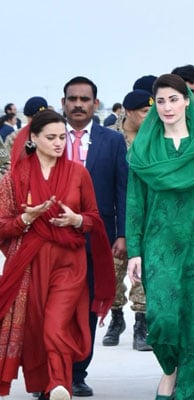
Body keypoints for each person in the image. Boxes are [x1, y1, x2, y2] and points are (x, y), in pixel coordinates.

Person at [126, 73, 194, 400]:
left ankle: (184, 391)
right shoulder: (145, 148)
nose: (167, 107)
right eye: (160, 101)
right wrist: (135, 250)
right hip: (159, 246)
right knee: (161, 319)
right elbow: (135, 203)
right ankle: (169, 371)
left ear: (187, 101)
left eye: (173, 99)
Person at [0, 109, 114, 400]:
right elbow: (3, 226)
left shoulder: (78, 173)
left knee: (55, 323)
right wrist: (28, 218)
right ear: (33, 137)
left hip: (69, 261)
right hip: (31, 262)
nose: (59, 143)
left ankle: (58, 383)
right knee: (37, 328)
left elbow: (94, 218)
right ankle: (49, 386)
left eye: (62, 137)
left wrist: (77, 221)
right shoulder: (14, 178)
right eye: (50, 137)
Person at [62, 76, 128, 397]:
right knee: (52, 308)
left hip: (96, 238)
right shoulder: (49, 137)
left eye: (84, 99)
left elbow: (122, 190)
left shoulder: (112, 141)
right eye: (72, 99)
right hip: (53, 240)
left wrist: (123, 235)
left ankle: (77, 372)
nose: (78, 104)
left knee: (87, 308)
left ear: (95, 104)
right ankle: (53, 373)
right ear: (63, 103)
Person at [102, 89, 153, 351]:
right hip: (115, 215)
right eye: (145, 112)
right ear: (128, 112)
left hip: (144, 217)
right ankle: (116, 317)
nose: (150, 116)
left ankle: (141, 324)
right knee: (112, 272)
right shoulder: (111, 137)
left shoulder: (154, 138)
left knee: (141, 273)